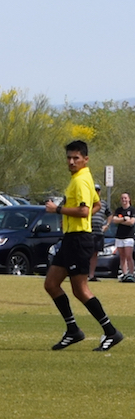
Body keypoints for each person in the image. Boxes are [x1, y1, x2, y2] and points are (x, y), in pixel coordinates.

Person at [45, 140, 123, 352]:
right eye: (69, 158)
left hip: (79, 239)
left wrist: (58, 210)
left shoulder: (80, 181)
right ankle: (73, 330)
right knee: (51, 284)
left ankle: (111, 331)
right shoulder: (83, 178)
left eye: (75, 158)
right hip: (71, 238)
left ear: (85, 159)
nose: (71, 161)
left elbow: (84, 211)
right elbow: (97, 204)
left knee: (80, 289)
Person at [111, 192, 135, 282]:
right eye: (122, 198)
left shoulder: (132, 210)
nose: (124, 200)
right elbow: (114, 220)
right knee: (122, 256)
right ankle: (124, 274)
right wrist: (124, 219)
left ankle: (131, 274)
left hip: (129, 236)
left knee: (129, 256)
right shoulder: (118, 210)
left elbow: (131, 222)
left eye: (125, 198)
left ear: (129, 199)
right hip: (119, 236)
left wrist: (120, 221)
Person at [88, 184, 107, 282]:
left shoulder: (103, 203)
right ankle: (82, 274)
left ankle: (91, 275)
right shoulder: (88, 201)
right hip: (88, 232)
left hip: (99, 232)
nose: (96, 192)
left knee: (95, 254)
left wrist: (107, 225)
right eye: (94, 190)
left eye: (98, 190)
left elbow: (110, 214)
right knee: (86, 253)